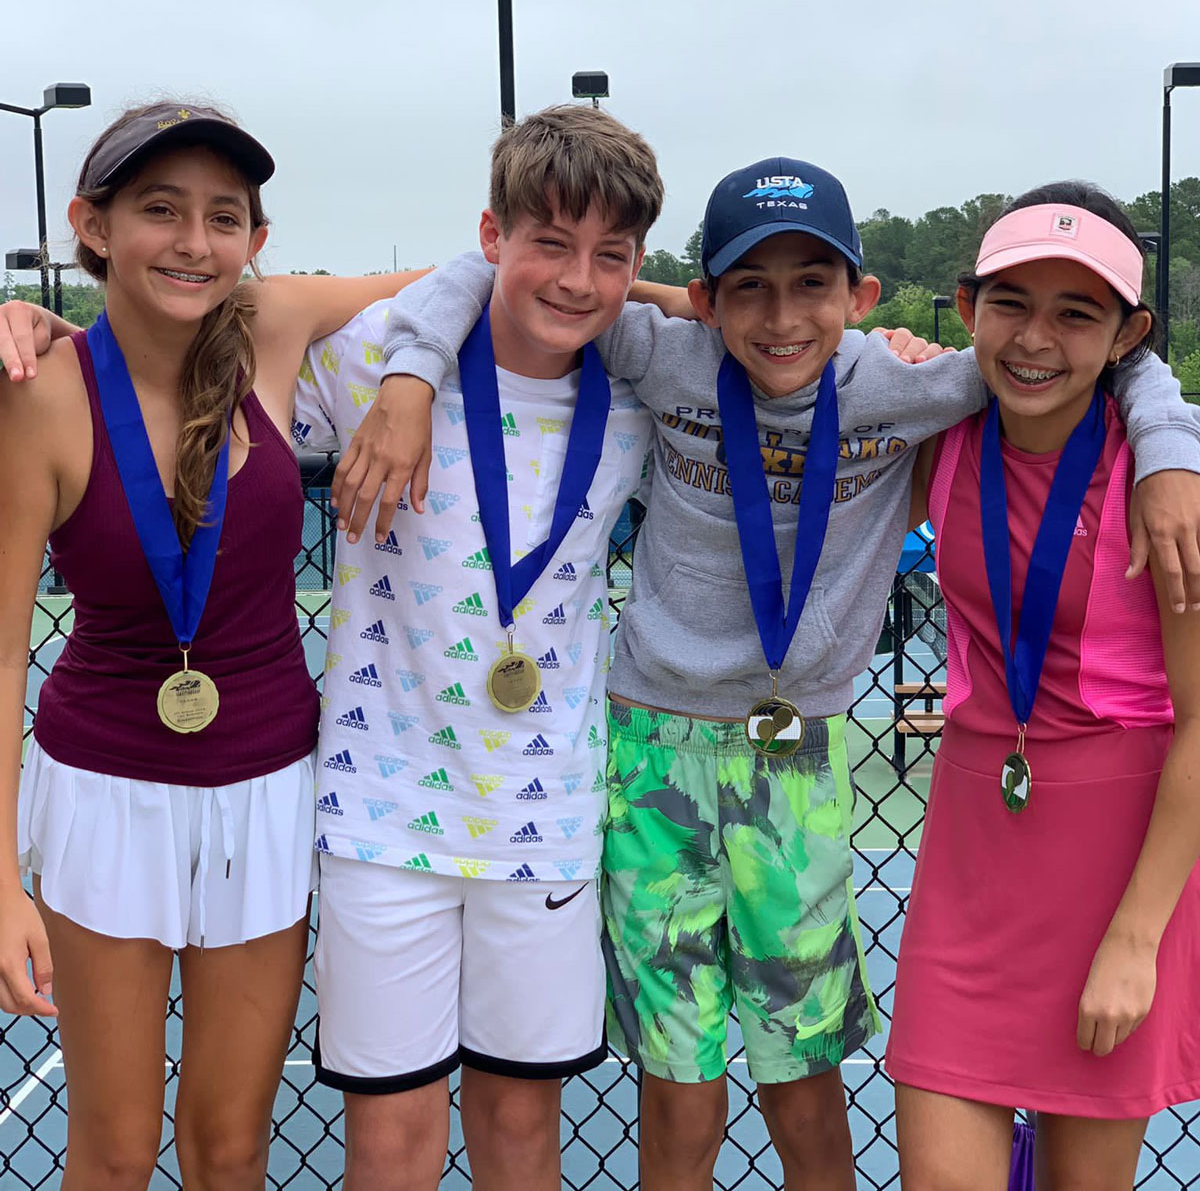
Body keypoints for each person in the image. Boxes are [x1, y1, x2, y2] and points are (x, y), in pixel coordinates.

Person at [364, 157, 1200, 1190]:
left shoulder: (922, 386)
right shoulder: (663, 356)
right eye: (748, 288)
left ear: (862, 298)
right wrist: (407, 376)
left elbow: (1111, 354)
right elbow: (495, 277)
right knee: (679, 1092)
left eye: (814, 285)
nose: (782, 317)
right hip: (651, 757)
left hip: (796, 759)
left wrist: (1167, 444)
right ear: (707, 300)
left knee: (805, 1092)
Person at [0, 101, 425, 1191]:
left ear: (255, 240)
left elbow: (481, 280)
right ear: (89, 226)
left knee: (231, 1148)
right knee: (112, 1148)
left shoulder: (273, 327)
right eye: (159, 210)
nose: (194, 242)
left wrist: (681, 305)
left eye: (222, 217)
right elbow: (1, 658)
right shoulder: (40, 394)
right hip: (103, 796)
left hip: (268, 788)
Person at [288, 104, 664, 1191]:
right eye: (547, 242)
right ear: (491, 237)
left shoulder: (643, 390)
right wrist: (41, 329)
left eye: (611, 257)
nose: (579, 281)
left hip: (546, 820)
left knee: (518, 1134)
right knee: (395, 1142)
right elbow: (242, 321)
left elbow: (774, 339)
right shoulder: (372, 364)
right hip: (380, 816)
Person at [886, 183, 1200, 1191]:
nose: (1035, 339)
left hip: (1121, 853)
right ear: (968, 304)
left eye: (1077, 312)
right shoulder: (939, 435)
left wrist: (1137, 940)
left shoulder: (1166, 491)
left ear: (1127, 335)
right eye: (1011, 301)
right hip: (974, 838)